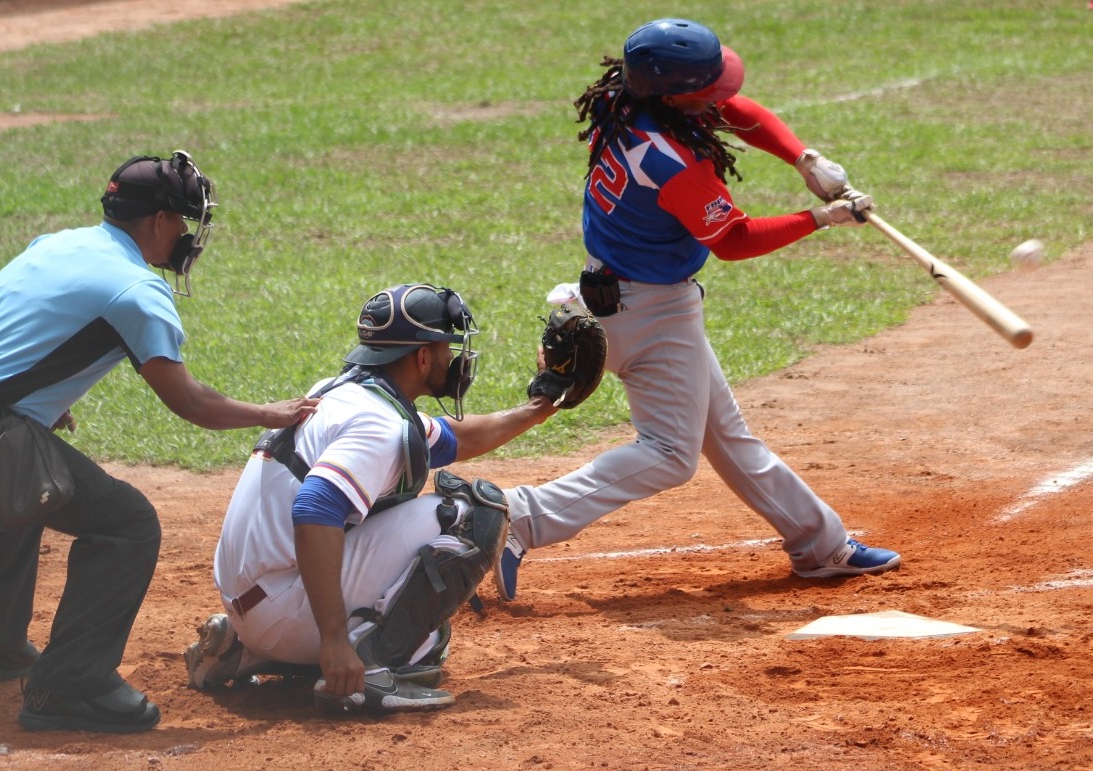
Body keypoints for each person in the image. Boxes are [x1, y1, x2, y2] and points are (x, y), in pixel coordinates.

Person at [0, 151, 318, 733]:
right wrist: (270, 412)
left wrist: (27, 392)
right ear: (159, 221)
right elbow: (189, 402)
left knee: (28, 486)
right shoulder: (136, 289)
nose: (188, 235)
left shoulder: (59, 244)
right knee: (126, 523)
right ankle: (71, 686)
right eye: (185, 221)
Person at [495, 18, 901, 601]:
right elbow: (732, 240)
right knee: (668, 455)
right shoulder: (669, 162)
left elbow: (736, 108)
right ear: (674, 94)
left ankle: (820, 546)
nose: (720, 96)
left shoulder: (625, 99)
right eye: (706, 88)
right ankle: (515, 516)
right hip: (650, 312)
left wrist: (803, 157)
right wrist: (821, 218)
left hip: (616, 294)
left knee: (725, 434)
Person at [184, 283, 560, 712]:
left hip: (253, 597)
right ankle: (365, 667)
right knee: (473, 520)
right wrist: (334, 641)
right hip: (280, 604)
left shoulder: (346, 392)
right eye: (445, 347)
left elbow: (458, 437)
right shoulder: (376, 426)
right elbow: (314, 510)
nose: (452, 358)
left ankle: (245, 651)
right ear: (421, 356)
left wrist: (541, 404)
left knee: (423, 626)